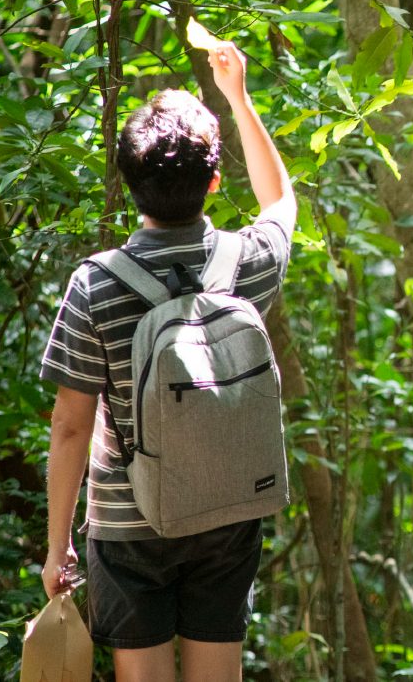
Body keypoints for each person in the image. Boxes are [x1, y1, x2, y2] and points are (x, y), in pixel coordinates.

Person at [41, 41, 296, 682]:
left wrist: (57, 546)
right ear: (214, 181)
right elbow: (281, 204)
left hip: (130, 522)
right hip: (228, 508)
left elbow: (71, 424)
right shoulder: (244, 265)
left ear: (128, 181)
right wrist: (237, 96)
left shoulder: (95, 284)